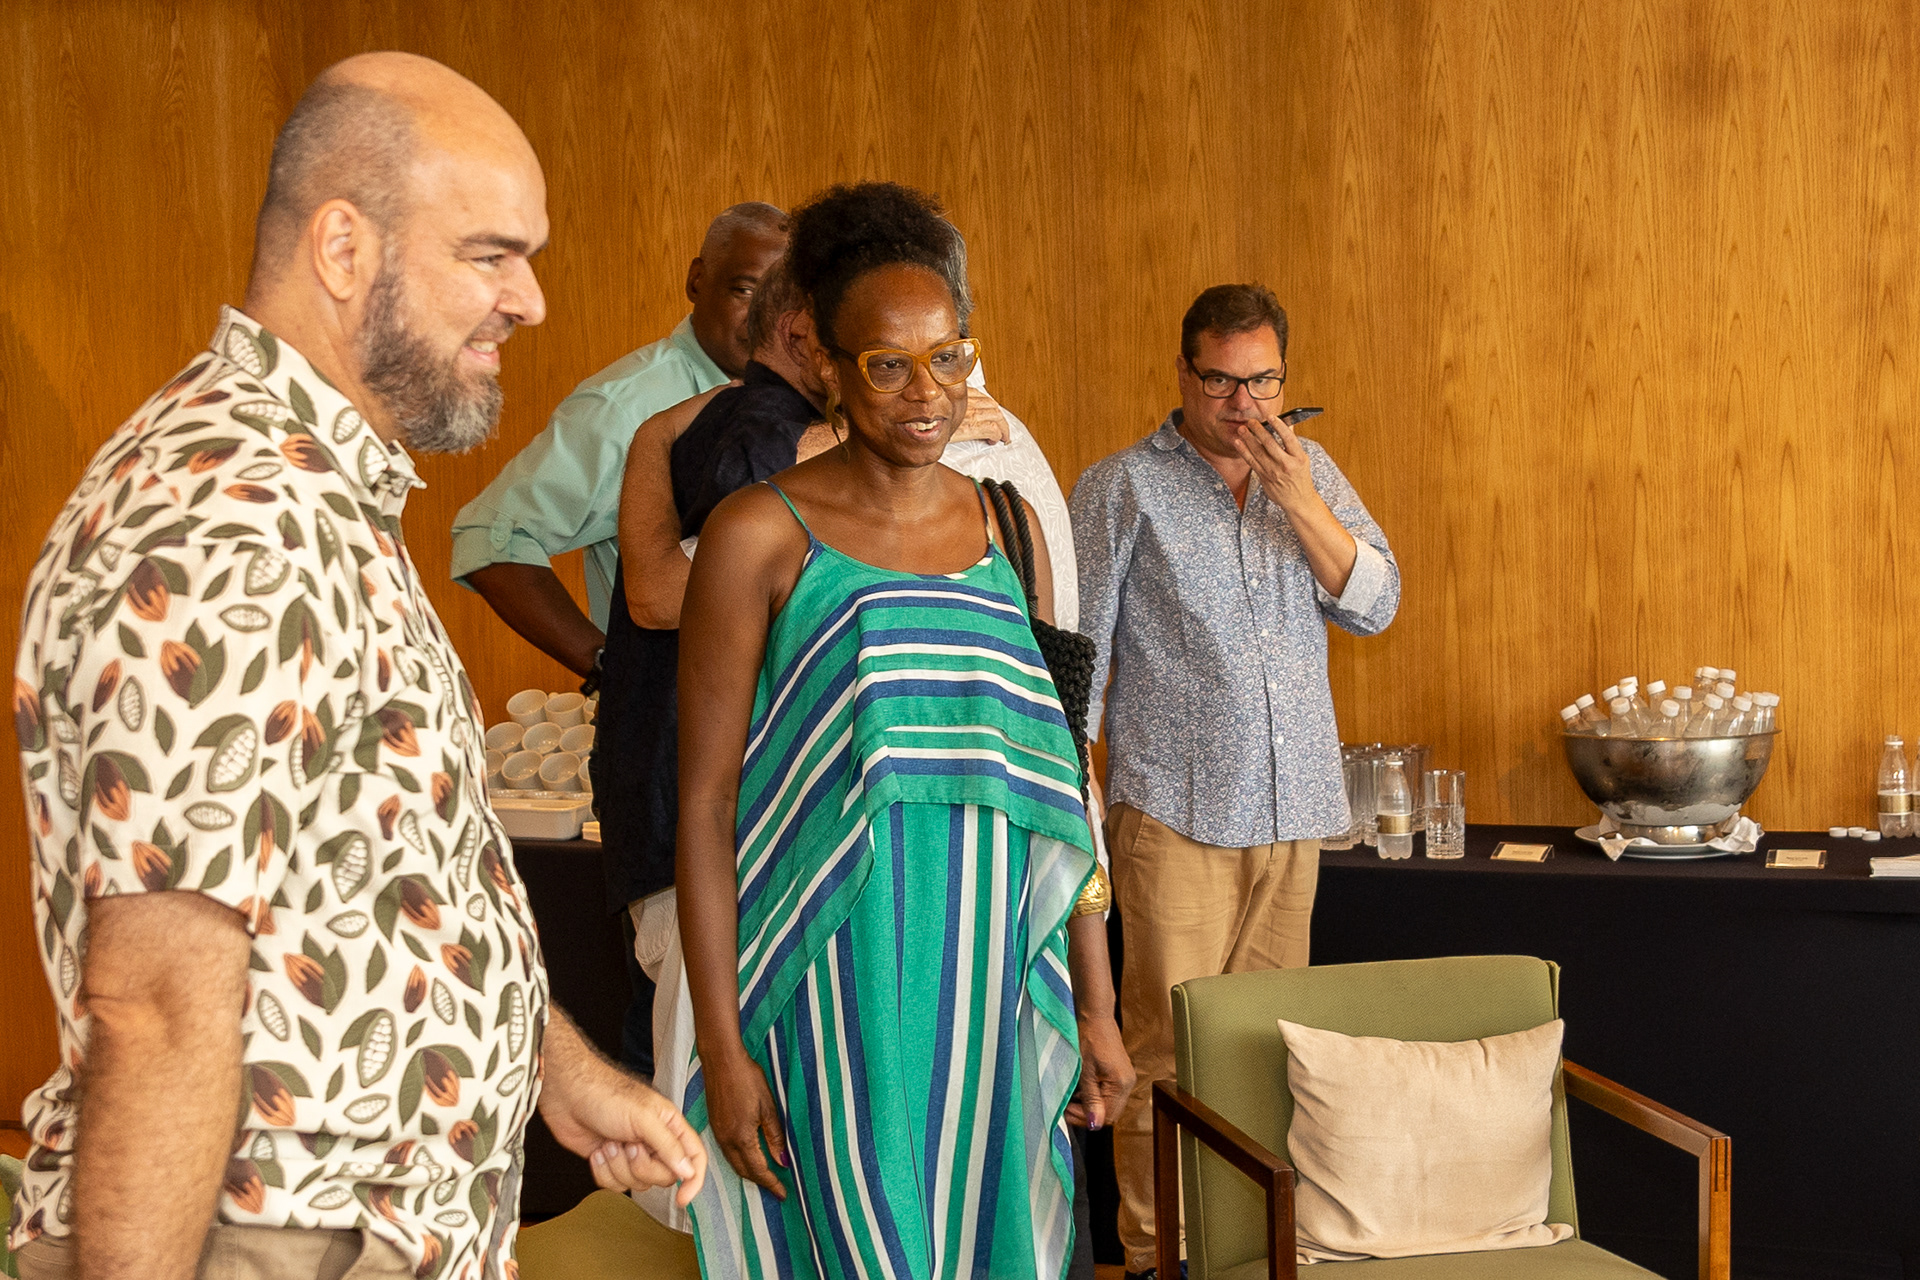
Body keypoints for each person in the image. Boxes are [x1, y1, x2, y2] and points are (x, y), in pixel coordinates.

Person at [7, 53, 703, 1280]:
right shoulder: (225, 519)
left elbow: (388, 876)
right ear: (342, 247)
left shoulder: (319, 495)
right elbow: (154, 1007)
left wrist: (554, 1067)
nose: (530, 300)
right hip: (265, 1235)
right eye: (489, 255)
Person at [676, 181, 1133, 1279]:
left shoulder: (1007, 527)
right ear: (823, 359)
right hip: (826, 972)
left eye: (949, 356)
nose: (927, 393)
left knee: (985, 1240)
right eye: (888, 363)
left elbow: (1062, 780)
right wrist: (721, 1046)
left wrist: (1098, 1002)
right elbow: (704, 803)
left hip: (990, 975)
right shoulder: (758, 534)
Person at [1070, 283, 1399, 1279]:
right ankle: (1152, 1255)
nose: (1243, 404)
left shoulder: (1313, 472)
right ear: (1183, 373)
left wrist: (1301, 501)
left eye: (1262, 381)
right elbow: (1079, 657)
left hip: (1294, 811)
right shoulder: (1123, 485)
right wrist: (1074, 800)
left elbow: (1376, 603)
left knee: (1264, 1051)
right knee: (1167, 1052)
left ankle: (1244, 1254)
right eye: (1220, 381)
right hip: (1175, 813)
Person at [447, 201, 788, 679]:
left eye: (785, 300)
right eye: (745, 290)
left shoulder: (795, 398)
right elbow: (492, 539)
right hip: (674, 711)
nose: (764, 319)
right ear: (697, 281)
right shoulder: (627, 406)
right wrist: (611, 671)